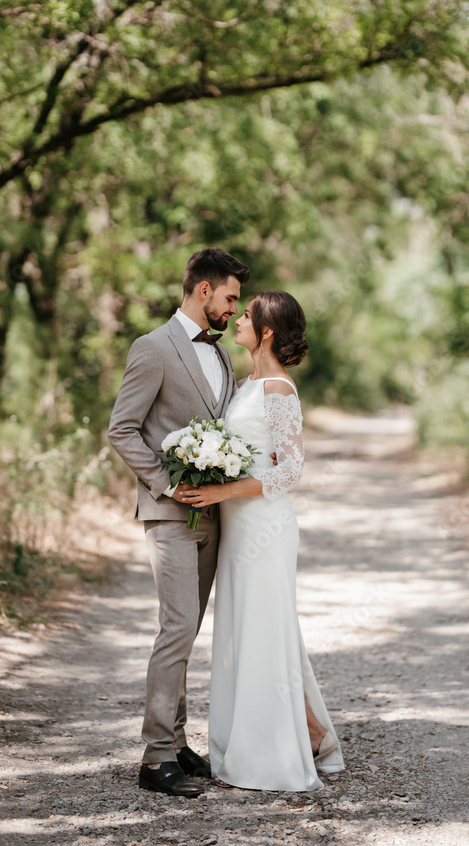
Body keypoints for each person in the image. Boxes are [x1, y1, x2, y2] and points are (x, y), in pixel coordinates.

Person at [181, 291, 345, 791]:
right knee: (247, 635)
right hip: (238, 527)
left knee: (264, 634)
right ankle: (313, 734)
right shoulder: (246, 384)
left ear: (267, 330)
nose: (238, 320)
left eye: (247, 315)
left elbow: (291, 469)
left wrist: (221, 488)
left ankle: (275, 750)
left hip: (266, 528)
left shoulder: (278, 389)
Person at [108, 247, 250, 798]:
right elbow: (123, 429)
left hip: (212, 515)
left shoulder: (222, 356)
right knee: (176, 627)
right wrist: (167, 483)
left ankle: (178, 741)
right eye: (231, 298)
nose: (235, 311)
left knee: (188, 630)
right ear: (204, 290)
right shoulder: (153, 348)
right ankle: (154, 757)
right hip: (168, 512)